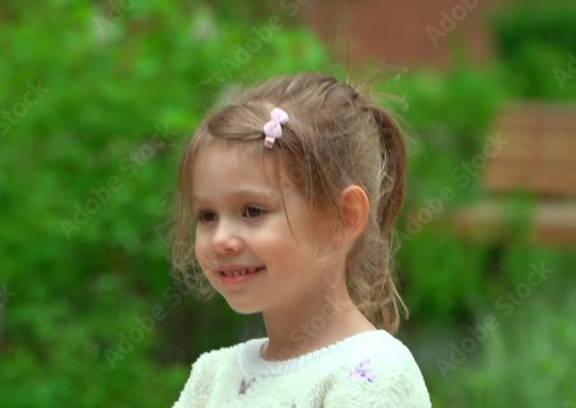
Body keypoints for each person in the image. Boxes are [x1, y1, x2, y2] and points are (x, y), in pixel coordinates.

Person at [168, 72, 431, 407]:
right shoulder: (213, 376)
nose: (221, 239)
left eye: (252, 211)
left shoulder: (373, 374)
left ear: (345, 217)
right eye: (207, 216)